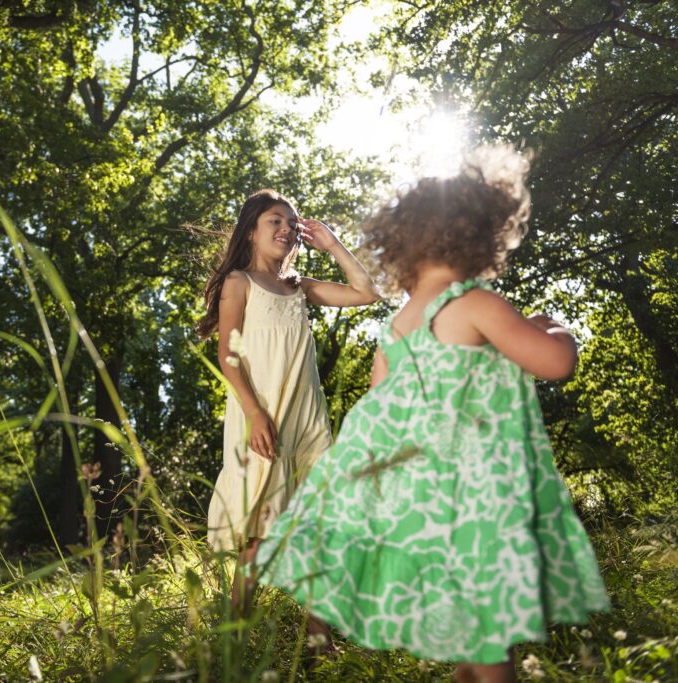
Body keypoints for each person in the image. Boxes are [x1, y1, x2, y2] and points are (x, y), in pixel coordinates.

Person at [254, 147, 610, 682]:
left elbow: (375, 418)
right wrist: (551, 324)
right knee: (491, 644)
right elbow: (555, 363)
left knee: (474, 642)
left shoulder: (395, 330)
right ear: (483, 239)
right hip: (477, 500)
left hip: (426, 510)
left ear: (403, 249)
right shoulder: (474, 304)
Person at [196, 189, 380, 621]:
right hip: (262, 416)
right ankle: (233, 633)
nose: (285, 228)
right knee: (258, 534)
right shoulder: (239, 283)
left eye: (291, 223)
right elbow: (228, 355)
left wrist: (332, 243)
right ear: (251, 232)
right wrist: (255, 413)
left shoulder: (300, 288)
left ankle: (319, 642)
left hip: (306, 421)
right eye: (274, 221)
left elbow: (366, 292)